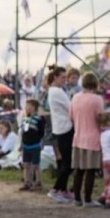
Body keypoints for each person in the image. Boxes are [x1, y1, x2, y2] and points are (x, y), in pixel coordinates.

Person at [70, 73, 104, 207]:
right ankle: (88, 199)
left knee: (78, 170)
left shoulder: (75, 97)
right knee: (91, 170)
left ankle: (77, 198)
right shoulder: (97, 99)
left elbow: (71, 116)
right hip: (92, 138)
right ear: (95, 84)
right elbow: (100, 117)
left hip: (78, 137)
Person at [46, 66, 74, 202]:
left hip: (61, 128)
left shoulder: (56, 91)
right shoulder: (57, 91)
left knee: (65, 162)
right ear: (55, 77)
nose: (65, 80)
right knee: (68, 163)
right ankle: (56, 189)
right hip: (65, 128)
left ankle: (62, 189)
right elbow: (71, 107)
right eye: (62, 77)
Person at [18, 99, 46, 191]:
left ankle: (39, 182)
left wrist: (42, 142)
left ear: (34, 107)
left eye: (28, 106)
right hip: (26, 145)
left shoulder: (39, 119)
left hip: (35, 145)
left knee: (36, 165)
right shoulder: (25, 118)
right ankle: (27, 182)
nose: (26, 108)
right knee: (26, 164)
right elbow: (23, 132)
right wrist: (21, 143)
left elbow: (42, 132)